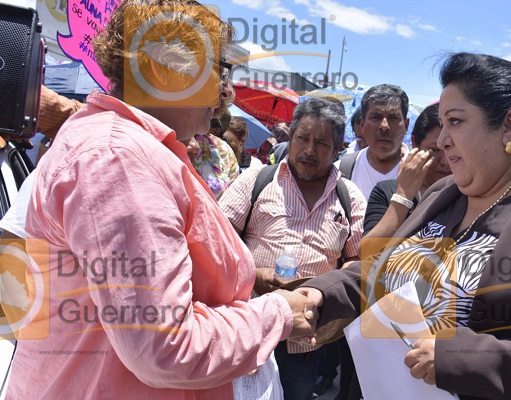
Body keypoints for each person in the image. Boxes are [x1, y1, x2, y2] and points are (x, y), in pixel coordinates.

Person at [5, 2, 315, 398]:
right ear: (162, 70)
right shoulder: (118, 159)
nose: (223, 89)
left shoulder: (131, 149)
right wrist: (277, 314)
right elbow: (167, 348)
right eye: (219, 68)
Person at [297, 53, 511, 399]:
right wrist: (318, 294)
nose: (441, 141)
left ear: (510, 127)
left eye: (455, 122)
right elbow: (380, 273)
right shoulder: (442, 194)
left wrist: (458, 355)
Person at [218, 98, 366, 400]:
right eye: (303, 138)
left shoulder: (349, 197)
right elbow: (217, 245)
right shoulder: (257, 181)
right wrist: (254, 275)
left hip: (306, 340)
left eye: (322, 143)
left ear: (338, 149)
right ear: (291, 136)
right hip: (249, 329)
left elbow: (356, 262)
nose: (310, 150)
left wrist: (328, 293)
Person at [364, 103, 451, 238]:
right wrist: (404, 196)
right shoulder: (387, 192)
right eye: (435, 150)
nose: (446, 162)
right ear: (415, 144)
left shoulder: (469, 194)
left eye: (452, 147)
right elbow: (368, 252)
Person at [337, 84, 410, 200]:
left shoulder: (423, 172)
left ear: (406, 125)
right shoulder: (340, 170)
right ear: (362, 124)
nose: (384, 126)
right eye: (376, 117)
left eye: (393, 118)